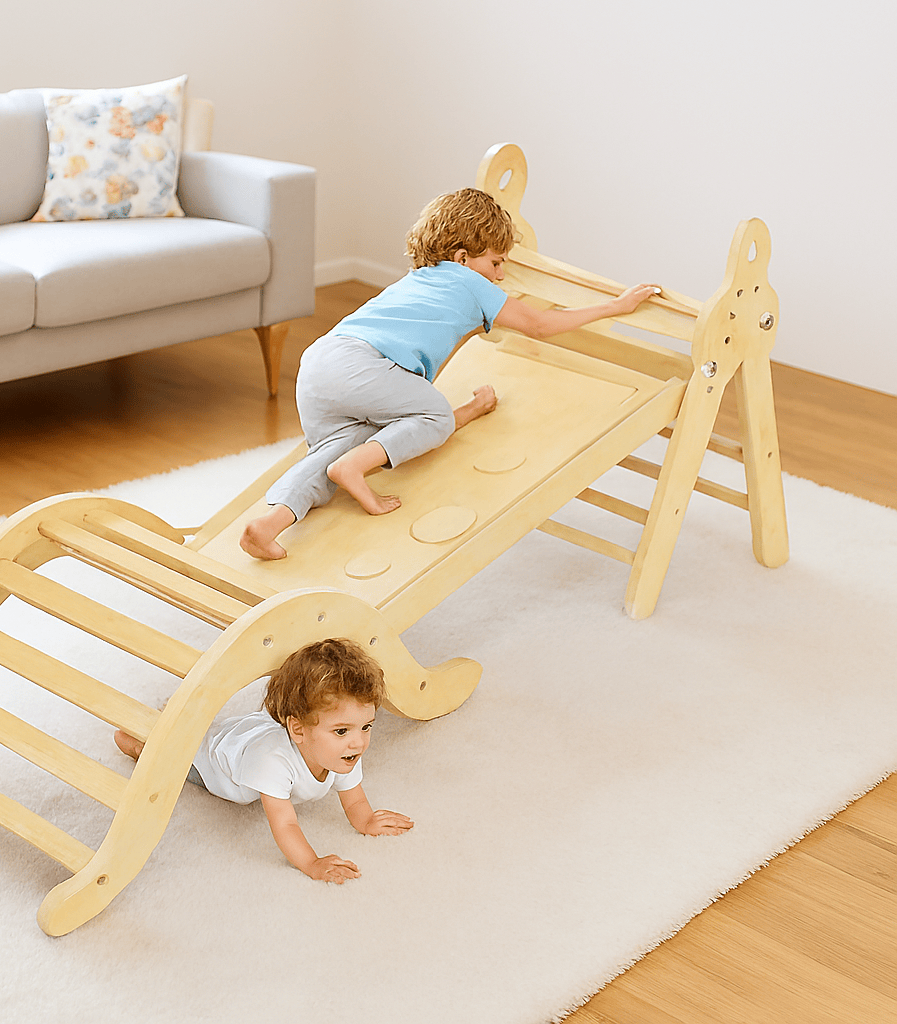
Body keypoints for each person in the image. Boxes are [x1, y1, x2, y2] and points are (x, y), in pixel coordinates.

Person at [240, 187, 660, 560]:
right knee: (433, 415)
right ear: (462, 258)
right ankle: (350, 469)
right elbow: (538, 324)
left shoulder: (416, 279)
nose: (501, 275)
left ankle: (268, 525)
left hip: (320, 364)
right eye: (496, 262)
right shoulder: (470, 283)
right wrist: (615, 306)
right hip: (362, 364)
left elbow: (413, 416)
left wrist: (473, 409)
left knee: (333, 451)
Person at [114, 638, 411, 884]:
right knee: (174, 758)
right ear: (298, 729)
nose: (359, 741)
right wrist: (312, 863)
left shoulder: (341, 750)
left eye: (366, 726)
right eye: (342, 730)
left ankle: (188, 720)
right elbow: (285, 823)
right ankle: (147, 740)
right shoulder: (273, 761)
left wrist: (367, 820)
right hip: (214, 764)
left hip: (257, 734)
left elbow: (354, 799)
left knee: (233, 731)